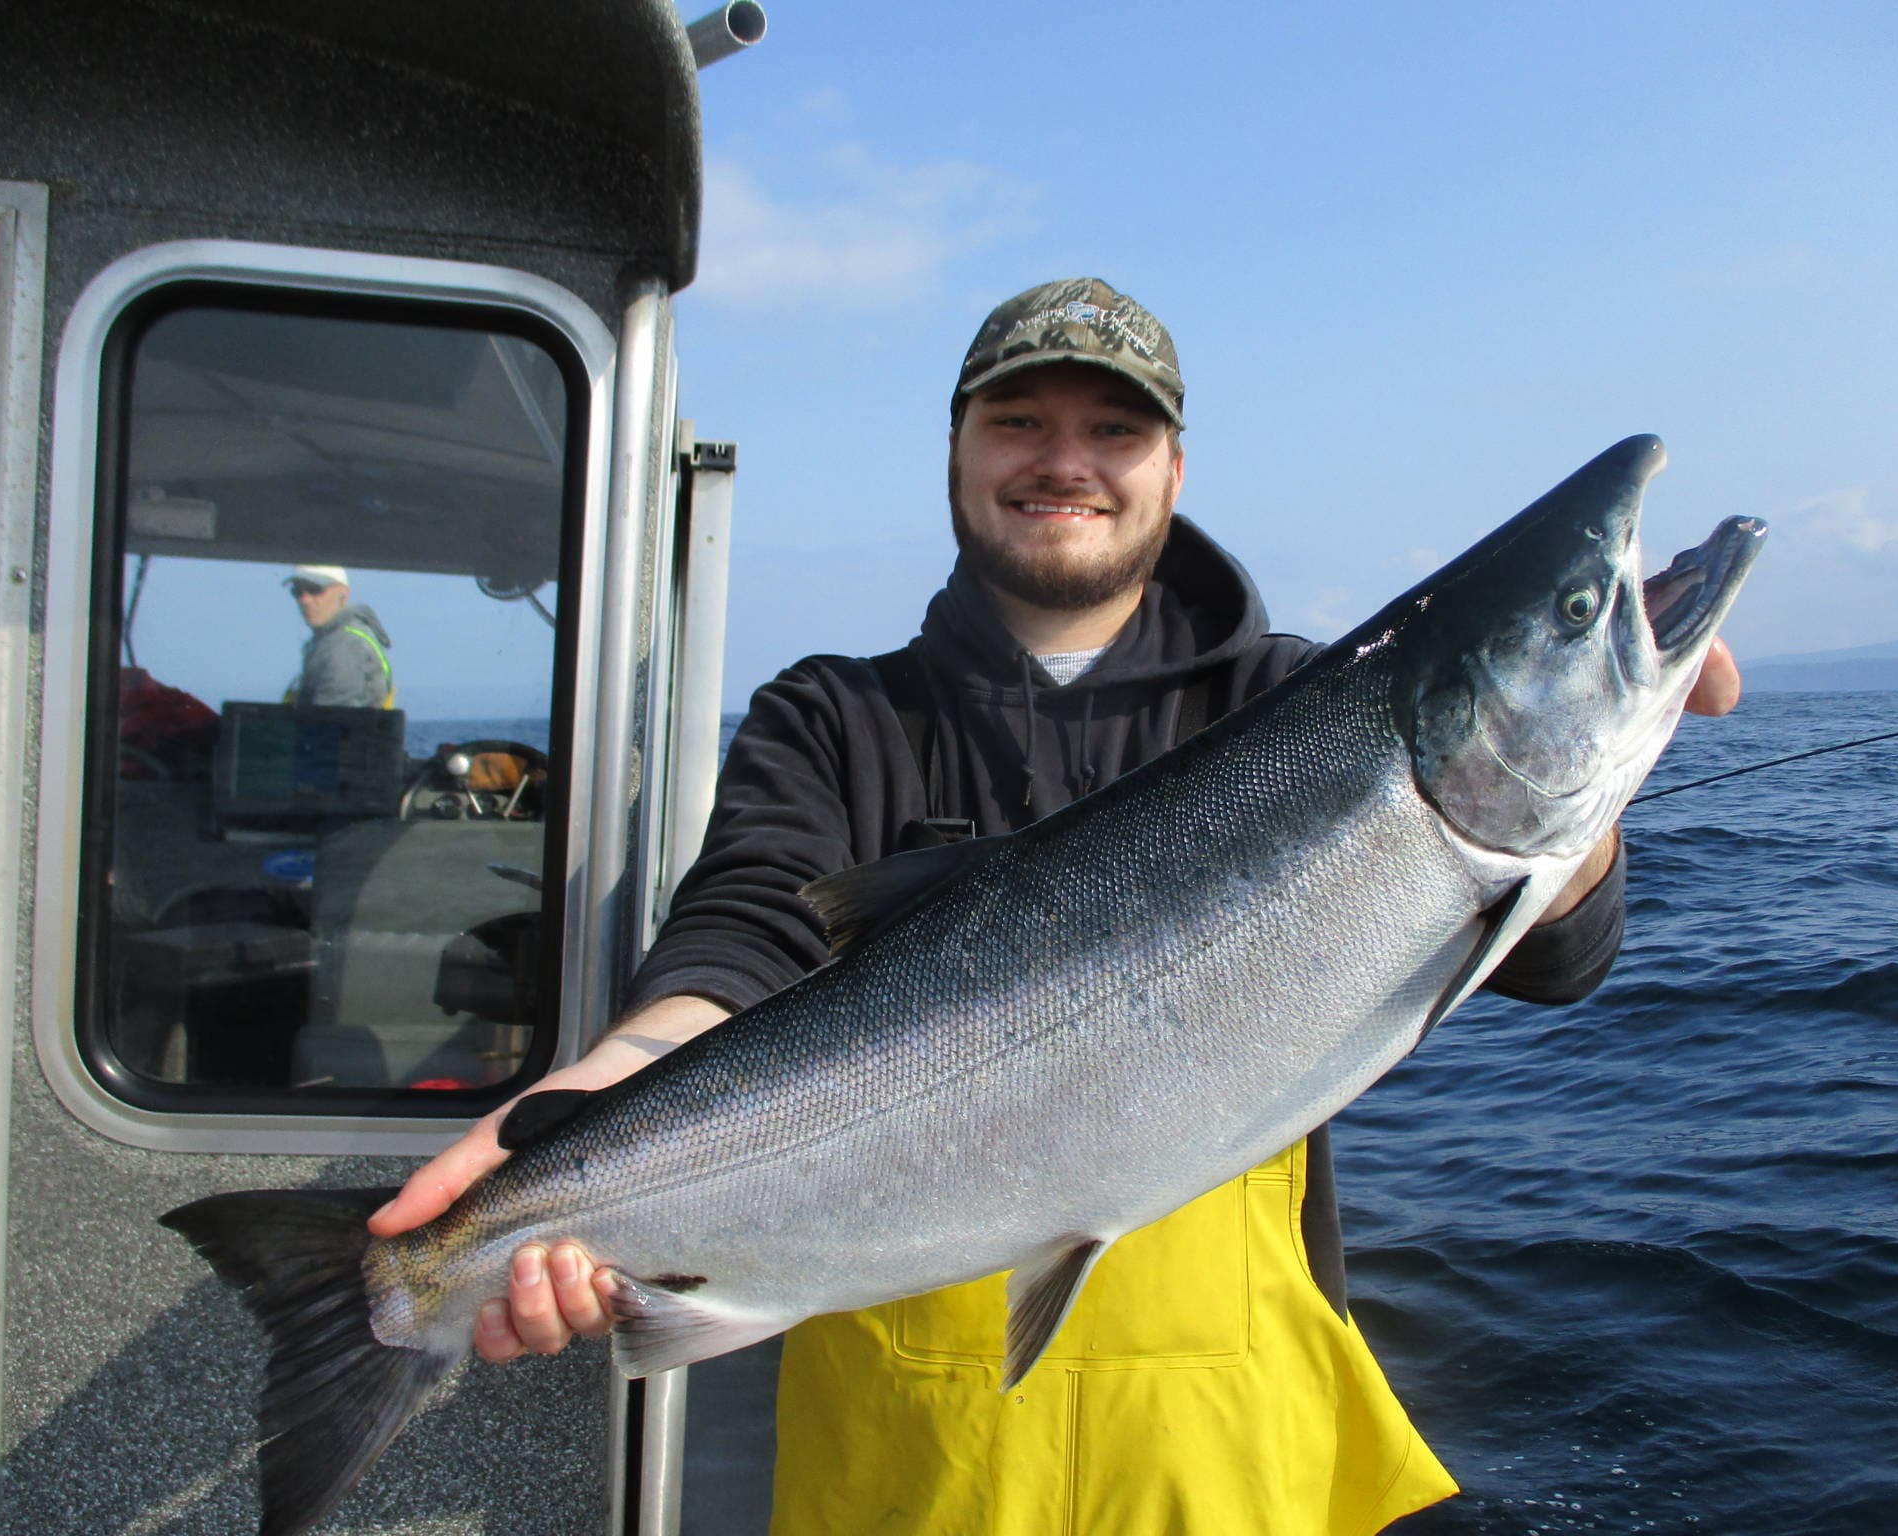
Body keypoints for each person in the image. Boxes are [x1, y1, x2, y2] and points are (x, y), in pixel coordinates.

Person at [371, 278, 1743, 1533]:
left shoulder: (1288, 699)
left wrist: (1586, 785)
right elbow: (741, 937)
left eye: (1115, 429)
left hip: (1226, 1455)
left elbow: (1561, 957)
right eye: (1018, 418)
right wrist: (607, 1098)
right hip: (912, 1473)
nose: (1064, 460)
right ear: (959, 452)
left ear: (1174, 468)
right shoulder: (837, 717)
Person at [283, 563, 393, 708]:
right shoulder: (335, 639)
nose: (305, 600)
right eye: (297, 591)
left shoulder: (343, 646)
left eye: (315, 589)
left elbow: (330, 722)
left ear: (343, 594)